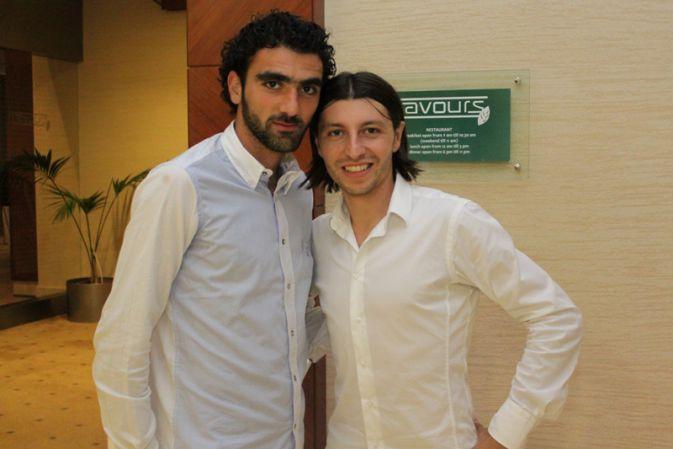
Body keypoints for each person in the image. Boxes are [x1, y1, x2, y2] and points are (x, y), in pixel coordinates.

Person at [93, 11, 335, 449]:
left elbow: (287, 319)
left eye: (308, 89)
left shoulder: (298, 191)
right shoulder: (180, 185)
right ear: (236, 87)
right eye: (273, 83)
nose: (291, 107)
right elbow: (122, 339)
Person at [304, 72, 583, 449]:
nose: (354, 149)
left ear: (397, 136)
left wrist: (505, 434)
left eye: (370, 130)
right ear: (319, 143)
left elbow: (556, 316)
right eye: (336, 132)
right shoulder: (318, 238)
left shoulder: (452, 223)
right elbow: (325, 325)